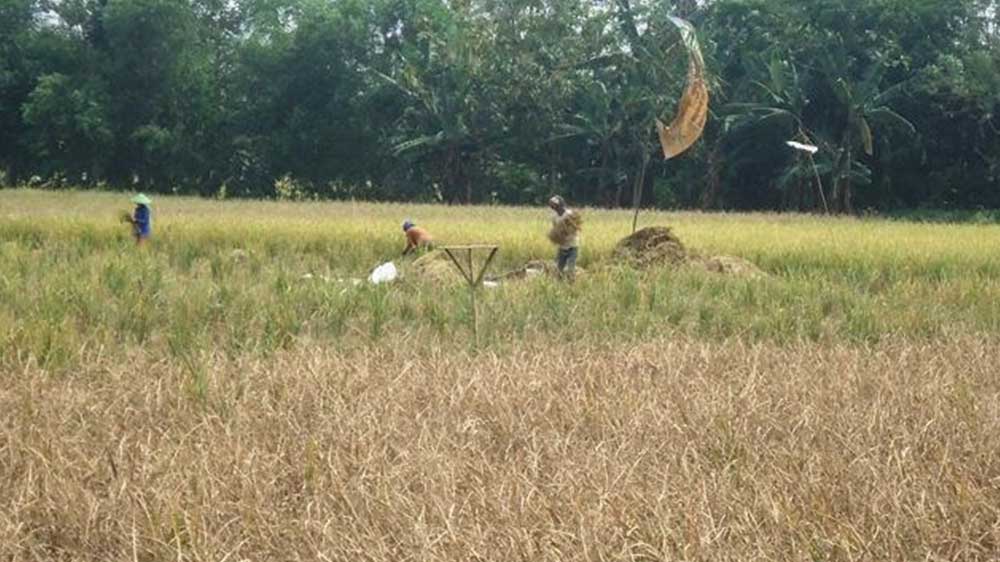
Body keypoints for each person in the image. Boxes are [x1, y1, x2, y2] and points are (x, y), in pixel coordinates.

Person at [547, 195, 581, 279]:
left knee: (570, 269)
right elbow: (555, 230)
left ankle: (571, 283)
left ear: (560, 205)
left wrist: (567, 232)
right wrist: (558, 237)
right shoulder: (554, 217)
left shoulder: (569, 214)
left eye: (554, 205)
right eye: (552, 205)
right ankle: (560, 283)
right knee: (559, 269)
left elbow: (576, 228)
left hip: (573, 245)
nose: (553, 207)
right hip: (562, 246)